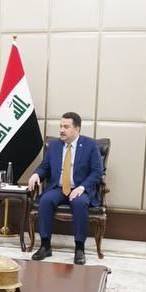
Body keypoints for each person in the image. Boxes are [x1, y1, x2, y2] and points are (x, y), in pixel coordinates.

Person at [28, 112, 104, 265]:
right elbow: (45, 167)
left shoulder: (90, 145)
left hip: (80, 189)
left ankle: (79, 248)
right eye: (61, 126)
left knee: (79, 203)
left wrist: (82, 187)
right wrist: (36, 174)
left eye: (66, 127)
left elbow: (97, 172)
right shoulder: (54, 145)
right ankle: (45, 246)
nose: (62, 130)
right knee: (45, 200)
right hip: (58, 188)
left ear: (77, 129)